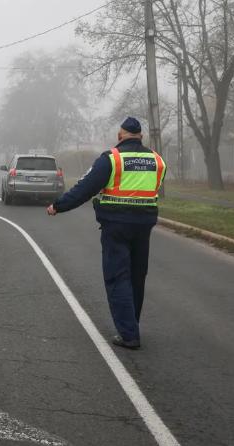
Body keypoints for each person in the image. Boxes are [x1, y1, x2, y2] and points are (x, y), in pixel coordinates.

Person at [46, 117, 166, 350]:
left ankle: (129, 335)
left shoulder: (112, 158)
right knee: (136, 277)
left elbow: (85, 188)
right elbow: (155, 187)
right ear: (141, 136)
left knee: (117, 277)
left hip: (117, 226)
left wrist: (58, 206)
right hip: (144, 226)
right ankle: (131, 322)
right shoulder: (157, 160)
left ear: (120, 136)